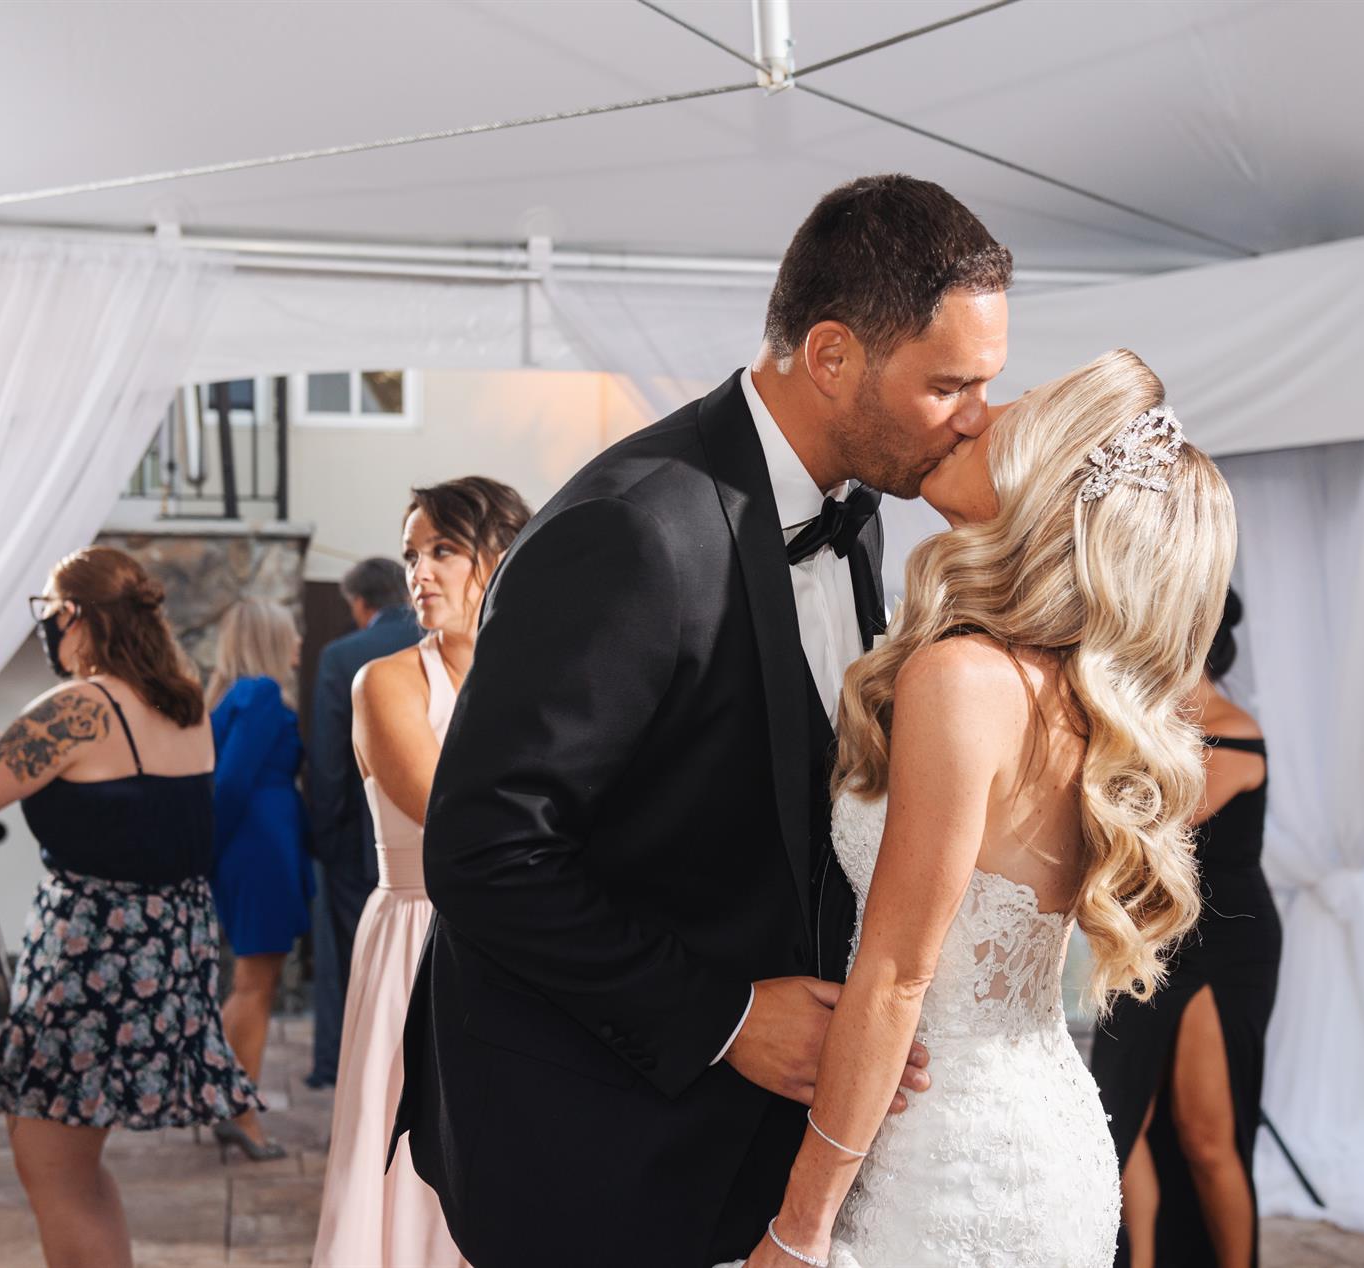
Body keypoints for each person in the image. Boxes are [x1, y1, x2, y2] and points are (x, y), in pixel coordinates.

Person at [395, 173, 1007, 1265]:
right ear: (830, 357)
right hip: (594, 1139)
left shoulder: (860, 514)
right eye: (950, 384)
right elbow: (485, 854)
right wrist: (725, 1016)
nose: (978, 416)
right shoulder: (628, 532)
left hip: (750, 1149)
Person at [735, 351, 1233, 1267]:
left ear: (1048, 479)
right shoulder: (1065, 694)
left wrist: (798, 1229)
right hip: (1035, 1139)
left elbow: (896, 976)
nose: (974, 415)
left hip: (945, 1165)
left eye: (1011, 408)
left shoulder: (966, 680)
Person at [0, 546, 258, 1268]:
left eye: (48, 611)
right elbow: (132, 802)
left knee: (53, 1165)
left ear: (76, 615)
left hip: (92, 961)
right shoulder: (181, 699)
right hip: (166, 951)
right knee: (76, 1167)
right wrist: (29, 754)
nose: (46, 628)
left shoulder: (75, 708)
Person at [313, 477, 530, 1268]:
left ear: (498, 556)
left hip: (530, 943)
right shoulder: (386, 682)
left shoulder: (548, 675)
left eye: (443, 550)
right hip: (419, 941)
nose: (420, 572)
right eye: (411, 554)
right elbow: (461, 826)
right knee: (414, 1165)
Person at [1089, 589, 1279, 1267]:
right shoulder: (1136, 728)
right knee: (1120, 1125)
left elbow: (1159, 818)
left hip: (1223, 945)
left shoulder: (1235, 729)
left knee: (1204, 1136)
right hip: (1143, 941)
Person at [305, 557, 421, 1089]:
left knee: (352, 959)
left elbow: (330, 760)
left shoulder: (343, 655)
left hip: (358, 836)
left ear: (359, 602)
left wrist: (324, 835)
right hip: (432, 835)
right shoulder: (441, 645)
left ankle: (342, 1066)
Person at [205, 598, 314, 1161]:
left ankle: (219, 1097)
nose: (298, 644)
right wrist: (211, 852)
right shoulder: (261, 694)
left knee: (251, 983)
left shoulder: (233, 696)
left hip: (253, 849)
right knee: (256, 985)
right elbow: (229, 784)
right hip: (258, 852)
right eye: (291, 634)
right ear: (270, 640)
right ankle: (240, 1114)